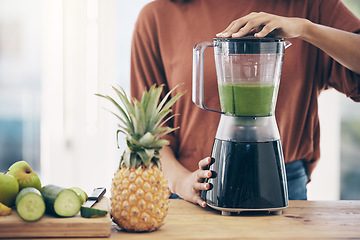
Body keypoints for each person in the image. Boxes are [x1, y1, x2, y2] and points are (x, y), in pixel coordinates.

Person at [130, 0, 360, 207]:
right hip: (190, 185)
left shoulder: (312, 5)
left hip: (284, 182)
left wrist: (304, 28)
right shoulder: (158, 15)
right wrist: (182, 182)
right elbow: (149, 133)